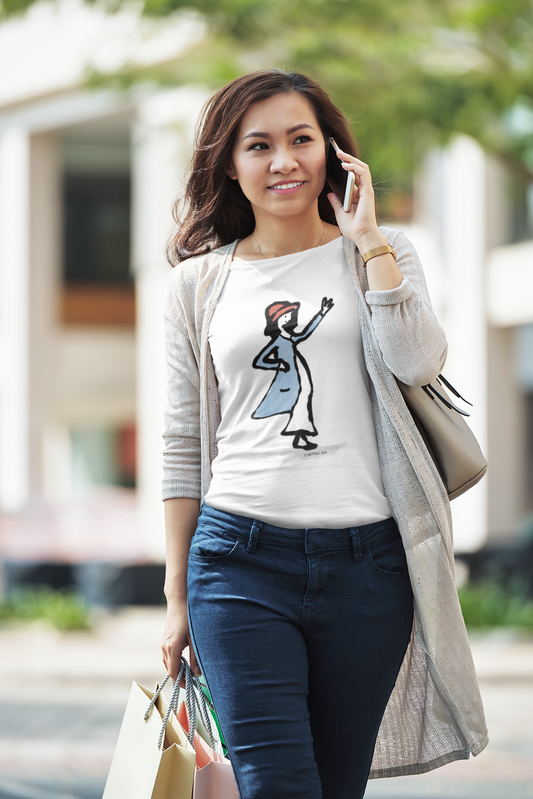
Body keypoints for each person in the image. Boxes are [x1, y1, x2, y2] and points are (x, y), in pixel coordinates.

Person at [161, 69, 487, 799]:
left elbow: (418, 361)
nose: (284, 161)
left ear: (332, 151)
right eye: (259, 145)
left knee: (335, 787)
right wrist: (177, 594)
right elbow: (181, 444)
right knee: (276, 783)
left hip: (368, 567)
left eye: (300, 139)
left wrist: (367, 241)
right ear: (229, 164)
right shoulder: (198, 284)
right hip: (238, 561)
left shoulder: (383, 251)